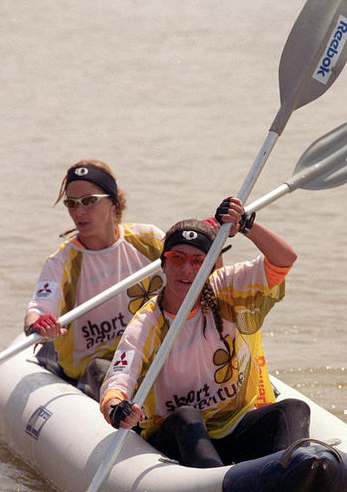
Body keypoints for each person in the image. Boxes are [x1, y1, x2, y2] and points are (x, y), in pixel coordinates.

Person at [99, 197, 310, 467]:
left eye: (198, 260)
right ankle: (217, 487)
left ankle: (294, 476)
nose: (186, 269)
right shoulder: (147, 323)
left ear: (211, 267)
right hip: (175, 437)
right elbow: (119, 379)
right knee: (187, 416)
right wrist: (116, 408)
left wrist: (246, 225)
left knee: (294, 409)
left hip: (230, 425)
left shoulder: (227, 288)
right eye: (177, 258)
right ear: (163, 264)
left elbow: (284, 260)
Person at [24, 159, 166, 397]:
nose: (79, 212)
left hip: (147, 351)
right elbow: (37, 309)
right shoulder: (61, 262)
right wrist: (37, 323)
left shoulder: (149, 239)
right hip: (93, 366)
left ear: (112, 201)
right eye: (71, 204)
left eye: (89, 201)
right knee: (102, 368)